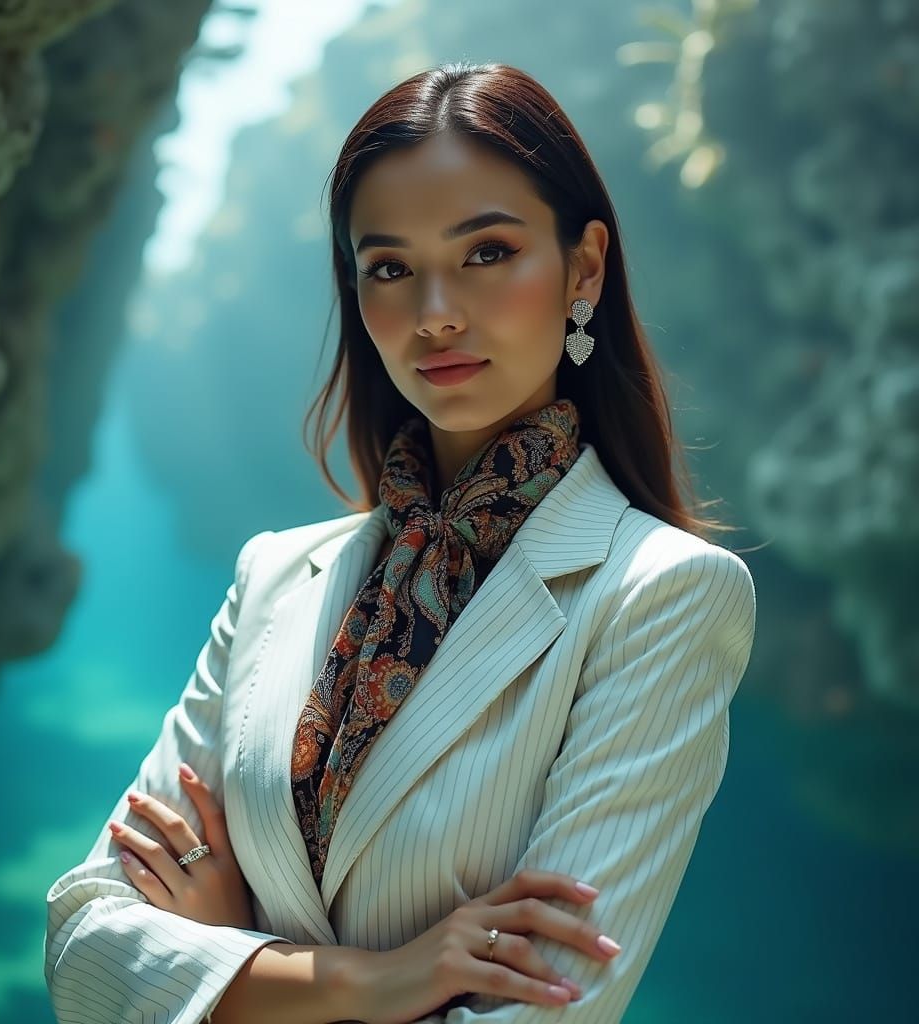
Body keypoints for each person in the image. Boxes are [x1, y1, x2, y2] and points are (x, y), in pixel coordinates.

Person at [44, 61, 756, 1024]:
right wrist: (367, 981)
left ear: (584, 267)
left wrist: (223, 972)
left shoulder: (666, 596)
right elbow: (82, 940)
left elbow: (542, 1013)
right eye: (389, 268)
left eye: (488, 251)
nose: (435, 314)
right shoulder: (272, 577)